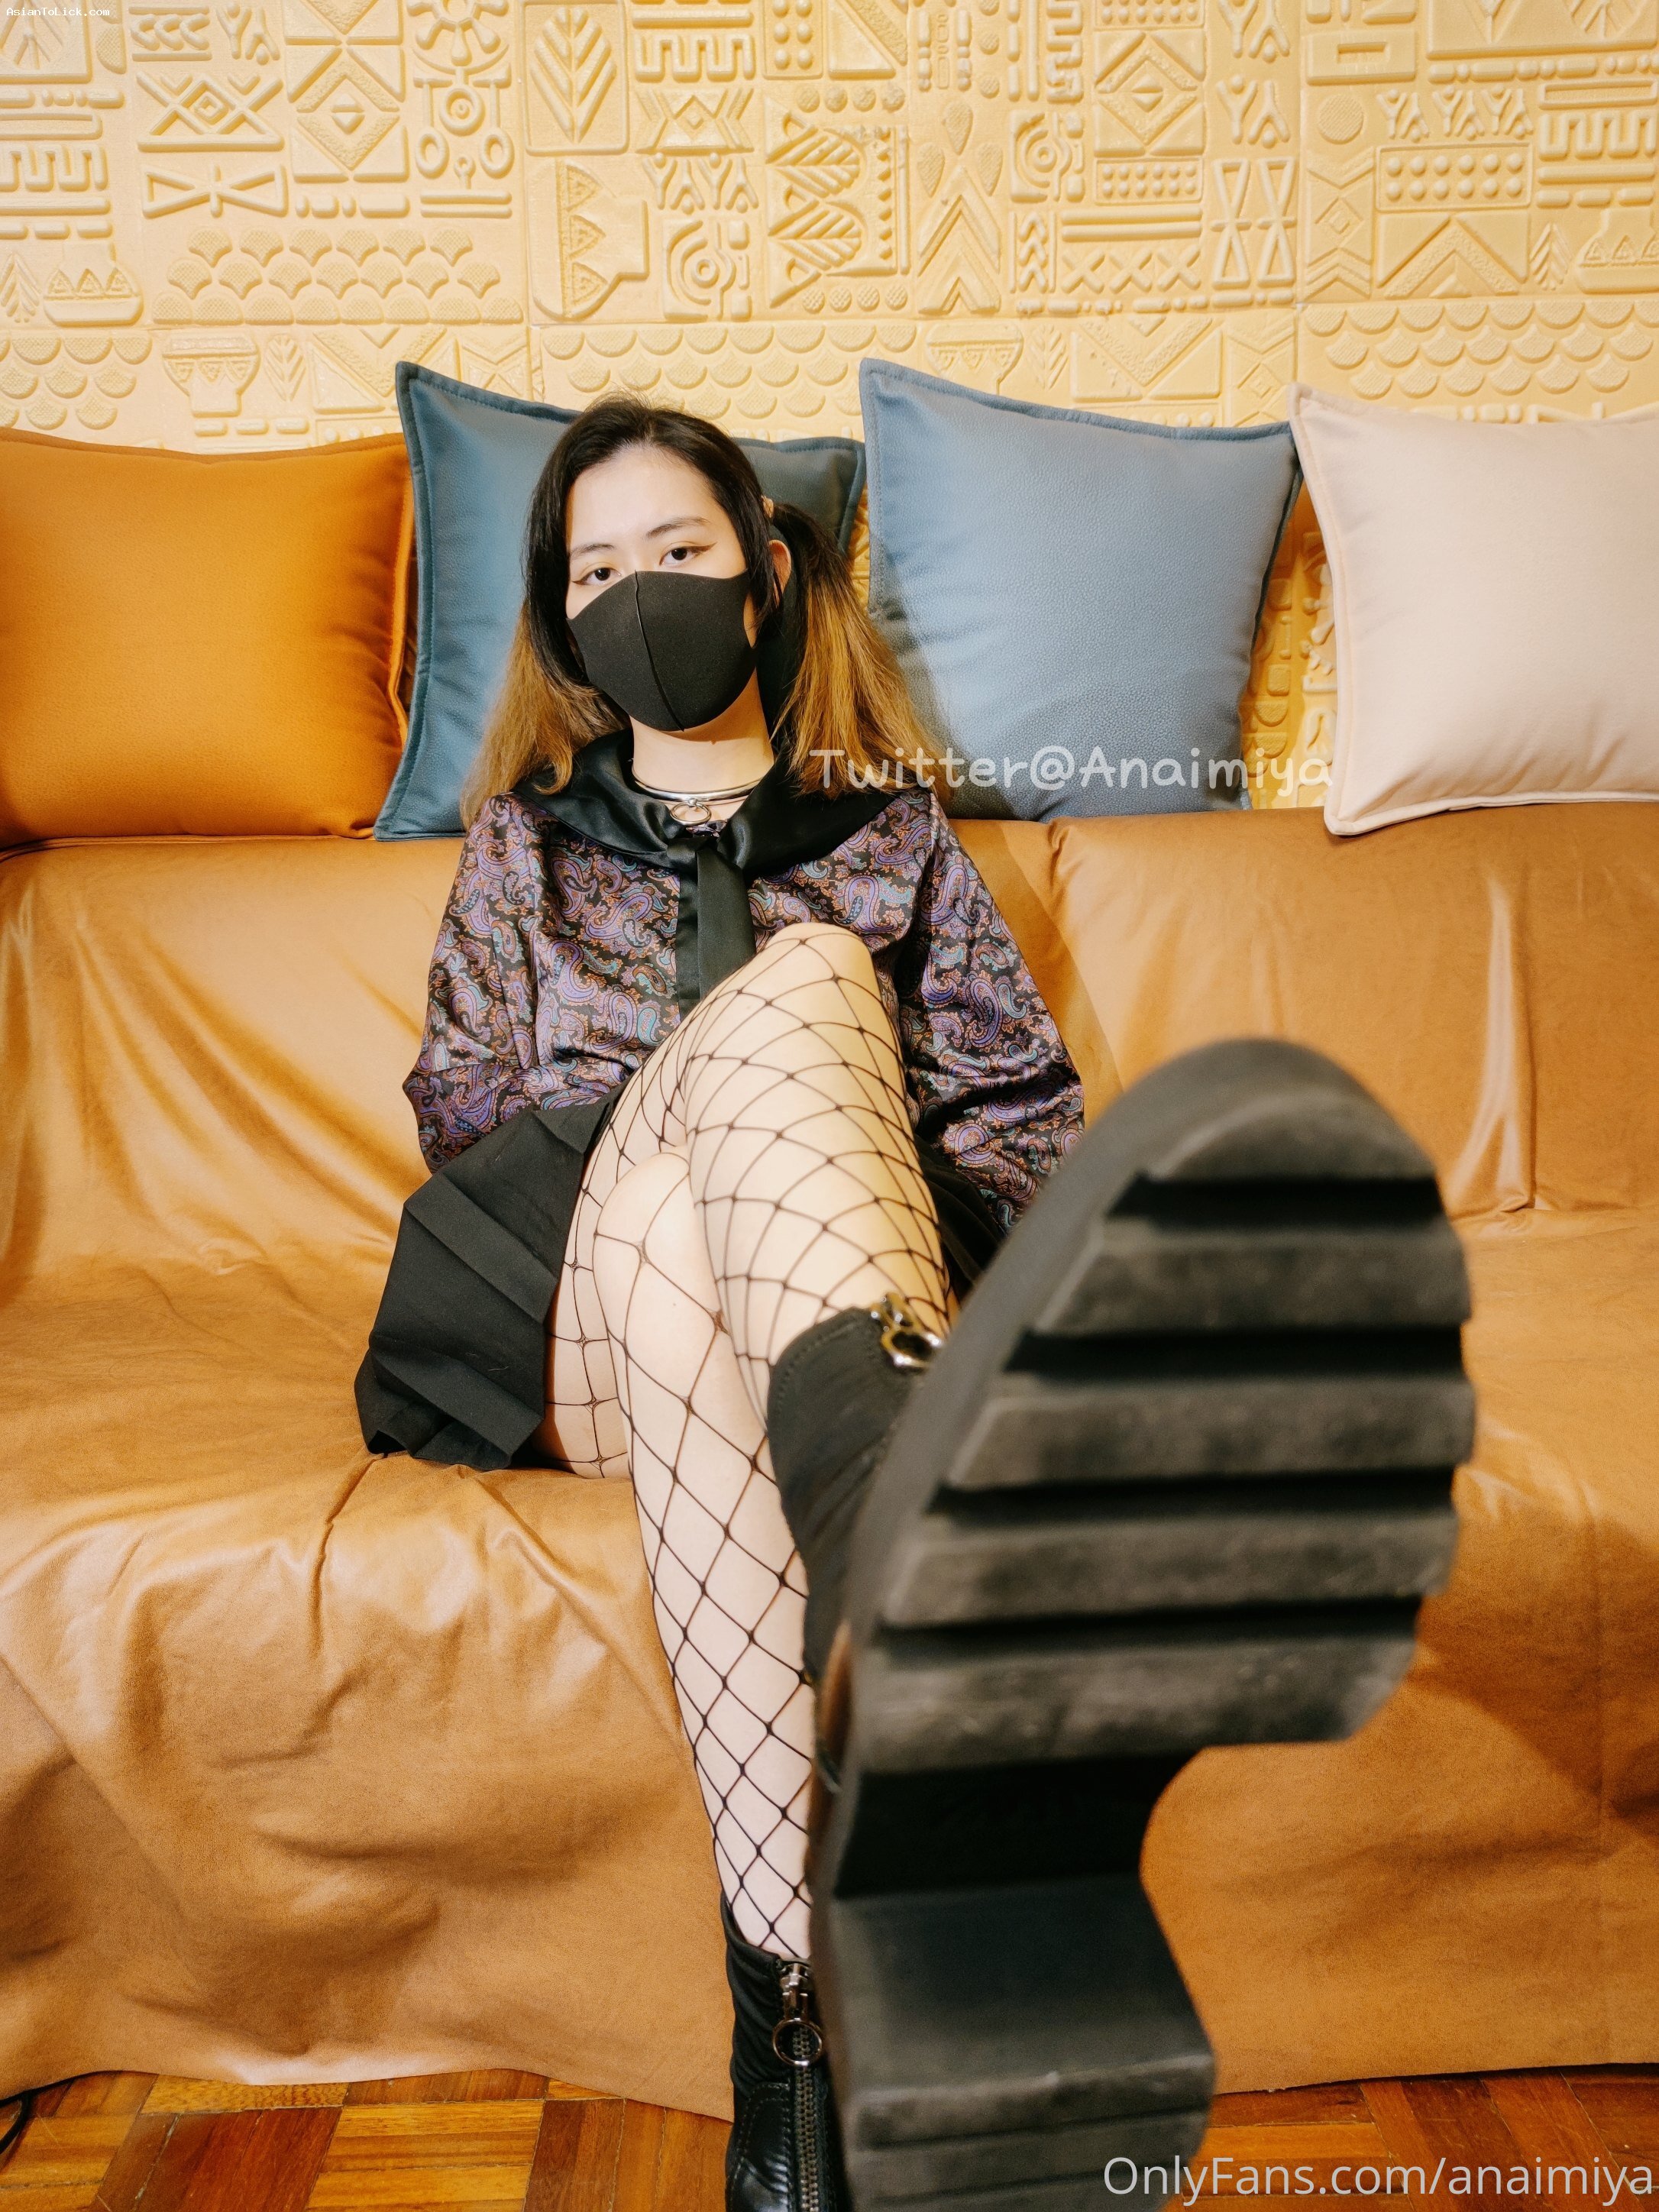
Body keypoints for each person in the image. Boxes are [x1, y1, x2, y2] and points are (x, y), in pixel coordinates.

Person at [357, 396, 1471, 2212]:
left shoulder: (894, 836)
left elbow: (1021, 1118)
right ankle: (908, 1490)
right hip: (567, 1312)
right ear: (561, 624)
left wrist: (775, 1181)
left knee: (695, 1261)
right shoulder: (523, 849)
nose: (642, 594)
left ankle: (792, 2042)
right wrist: (714, 1089)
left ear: (763, 571)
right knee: (778, 1019)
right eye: (599, 572)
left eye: (679, 552)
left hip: (734, 1323)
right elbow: (467, 1117)